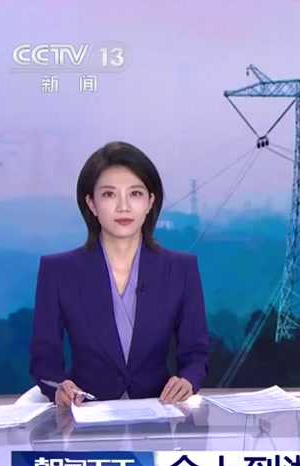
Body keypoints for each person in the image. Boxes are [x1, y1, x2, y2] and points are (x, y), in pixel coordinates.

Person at [29, 141, 209, 407]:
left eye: (135, 194)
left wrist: (187, 380)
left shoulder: (181, 269)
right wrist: (58, 388)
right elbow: (44, 360)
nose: (123, 207)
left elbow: (196, 355)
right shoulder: (58, 272)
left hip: (159, 413)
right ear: (91, 204)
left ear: (150, 202)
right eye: (109, 194)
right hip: (85, 416)